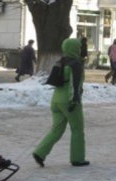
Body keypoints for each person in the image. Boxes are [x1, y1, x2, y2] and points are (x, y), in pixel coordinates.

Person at [32, 38, 89, 167]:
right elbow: (74, 85)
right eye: (79, 47)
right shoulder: (75, 64)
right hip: (68, 101)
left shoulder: (60, 62)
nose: (80, 49)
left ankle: (39, 152)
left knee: (56, 130)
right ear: (75, 49)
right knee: (77, 130)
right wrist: (74, 100)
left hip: (55, 101)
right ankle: (77, 158)